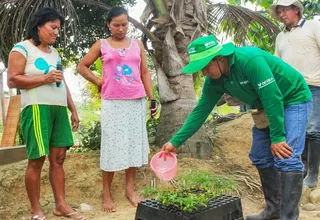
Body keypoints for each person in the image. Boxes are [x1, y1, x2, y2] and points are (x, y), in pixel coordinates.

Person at [160, 35, 312, 220]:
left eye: (205, 67)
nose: (204, 73)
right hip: (266, 106)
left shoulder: (249, 61)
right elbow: (201, 111)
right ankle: (275, 209)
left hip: (293, 98)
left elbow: (273, 97)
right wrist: (175, 141)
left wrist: (278, 137)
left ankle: (289, 217)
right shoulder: (214, 81)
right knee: (260, 156)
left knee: (286, 156)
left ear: (219, 58)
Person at [77, 7, 157, 212]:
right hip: (112, 102)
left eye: (124, 24)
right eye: (116, 25)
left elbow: (145, 72)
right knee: (111, 146)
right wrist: (98, 81)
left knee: (132, 145)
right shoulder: (101, 45)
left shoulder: (137, 44)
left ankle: (130, 190)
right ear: (108, 24)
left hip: (135, 101)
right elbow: (82, 66)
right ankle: (107, 193)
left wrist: (152, 98)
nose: (121, 29)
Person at [7, 8, 84, 220]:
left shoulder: (55, 53)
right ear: (38, 26)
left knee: (58, 158)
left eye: (58, 28)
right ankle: (36, 210)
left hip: (58, 109)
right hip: (36, 108)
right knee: (37, 159)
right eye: (53, 27)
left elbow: (61, 81)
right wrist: (44, 79)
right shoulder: (21, 49)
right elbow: (12, 80)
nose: (56, 32)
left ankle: (61, 205)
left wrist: (73, 109)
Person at [270, 0, 320, 189]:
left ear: (296, 10)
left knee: (313, 129)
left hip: (314, 84)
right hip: (289, 90)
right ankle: (304, 168)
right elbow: (276, 63)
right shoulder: (280, 37)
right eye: (279, 11)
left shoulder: (314, 26)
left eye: (285, 10)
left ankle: (313, 173)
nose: (282, 14)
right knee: (297, 130)